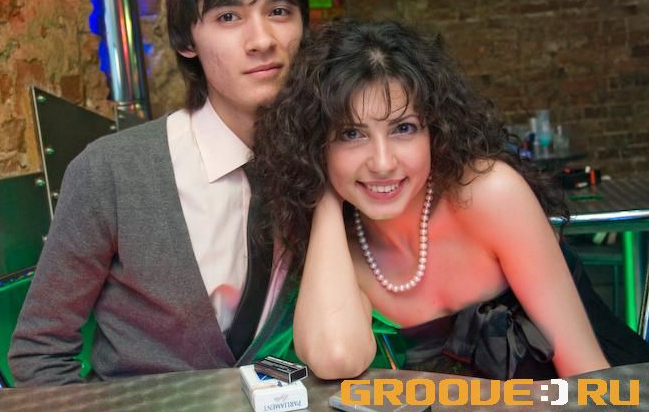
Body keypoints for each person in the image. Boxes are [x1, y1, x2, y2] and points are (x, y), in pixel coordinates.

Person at [253, 19, 649, 381]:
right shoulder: (338, 249)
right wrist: (322, 190)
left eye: (403, 128)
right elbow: (335, 357)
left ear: (435, 131)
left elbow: (587, 376)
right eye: (350, 134)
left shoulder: (491, 194)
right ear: (316, 144)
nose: (382, 162)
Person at [8, 0, 309, 385]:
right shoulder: (112, 171)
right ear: (186, 40)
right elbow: (40, 352)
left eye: (280, 11)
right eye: (229, 16)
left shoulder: (321, 163)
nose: (263, 39)